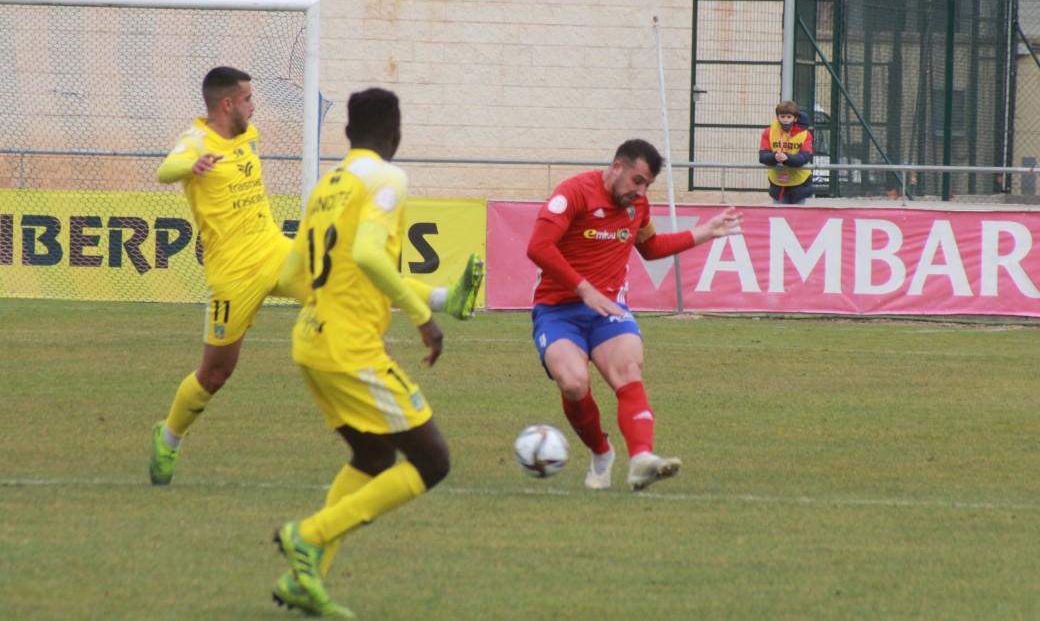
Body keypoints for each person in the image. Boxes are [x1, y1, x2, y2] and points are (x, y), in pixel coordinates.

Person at [148, 68, 483, 487]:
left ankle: (445, 298)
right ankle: (169, 437)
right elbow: (166, 169)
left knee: (348, 279)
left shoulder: (246, 136)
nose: (255, 105)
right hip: (232, 274)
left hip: (274, 252)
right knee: (214, 375)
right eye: (248, 99)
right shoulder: (197, 140)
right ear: (227, 104)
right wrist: (189, 164)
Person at [271, 88, 467, 618]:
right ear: (396, 135)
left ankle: (303, 580)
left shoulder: (326, 187)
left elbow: (290, 277)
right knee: (433, 461)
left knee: (373, 457)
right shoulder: (387, 178)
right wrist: (425, 319)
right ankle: (308, 535)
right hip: (350, 349)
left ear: (346, 133)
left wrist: (340, 302)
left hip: (310, 342)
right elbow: (365, 255)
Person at [526, 139, 741, 492]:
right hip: (557, 310)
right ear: (616, 169)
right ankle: (601, 452)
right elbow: (538, 247)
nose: (640, 192)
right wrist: (584, 289)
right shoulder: (574, 193)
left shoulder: (637, 207)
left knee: (628, 370)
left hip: (608, 308)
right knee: (574, 383)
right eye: (637, 181)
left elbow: (651, 247)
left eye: (647, 185)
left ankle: (641, 458)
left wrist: (705, 233)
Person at [759, 100, 814, 205]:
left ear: (795, 118)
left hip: (800, 182)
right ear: (778, 117)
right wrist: (775, 156)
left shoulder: (805, 134)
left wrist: (787, 158)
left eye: (789, 117)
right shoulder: (768, 132)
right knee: (778, 216)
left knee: (798, 218)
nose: (785, 120)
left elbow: (805, 157)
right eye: (782, 116)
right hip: (777, 183)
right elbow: (762, 156)